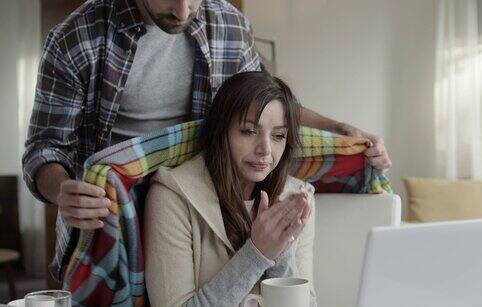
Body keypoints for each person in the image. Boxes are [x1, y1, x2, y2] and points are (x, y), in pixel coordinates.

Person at [22, 0, 391, 282]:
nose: (183, 11)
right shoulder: (77, 38)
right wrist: (63, 191)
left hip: (194, 208)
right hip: (111, 225)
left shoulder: (227, 23)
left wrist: (338, 129)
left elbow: (265, 101)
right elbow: (44, 149)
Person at [144, 71, 316, 307]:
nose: (265, 150)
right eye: (248, 131)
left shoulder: (296, 197)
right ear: (221, 131)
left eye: (278, 136)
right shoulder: (171, 194)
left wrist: (281, 254)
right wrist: (257, 253)